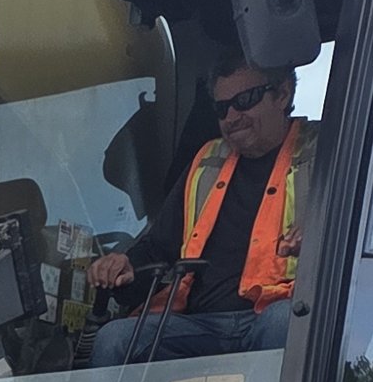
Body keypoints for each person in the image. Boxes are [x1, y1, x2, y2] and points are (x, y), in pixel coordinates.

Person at [87, 51, 315, 365]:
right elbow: (159, 248)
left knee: (284, 322)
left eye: (245, 100)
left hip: (279, 311)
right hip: (200, 325)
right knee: (115, 340)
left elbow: (368, 234)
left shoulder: (327, 152)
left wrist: (319, 234)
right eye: (222, 108)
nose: (231, 117)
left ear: (283, 94)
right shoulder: (207, 161)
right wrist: (126, 267)